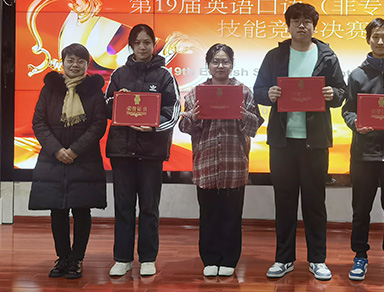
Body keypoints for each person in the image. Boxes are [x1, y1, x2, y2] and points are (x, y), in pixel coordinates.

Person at [253, 2, 346, 281]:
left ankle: (318, 259)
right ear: (288, 26)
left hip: (314, 141)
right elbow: (258, 91)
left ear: (314, 26)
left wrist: (333, 94)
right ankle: (284, 259)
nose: (301, 25)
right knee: (284, 201)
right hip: (282, 141)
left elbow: (342, 92)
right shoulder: (275, 56)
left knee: (315, 202)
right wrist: (268, 94)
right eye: (296, 21)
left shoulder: (327, 56)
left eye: (307, 21)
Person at [178, 43, 263, 278]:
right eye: (215, 61)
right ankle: (210, 258)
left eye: (225, 61)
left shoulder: (244, 92)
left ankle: (229, 258)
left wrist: (242, 113)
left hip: (233, 164)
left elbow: (255, 126)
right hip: (206, 164)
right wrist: (193, 116)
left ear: (232, 65)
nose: (220, 65)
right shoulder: (195, 93)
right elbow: (184, 127)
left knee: (232, 215)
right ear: (208, 65)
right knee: (209, 214)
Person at [105, 24, 181, 277]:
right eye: (137, 43)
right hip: (121, 151)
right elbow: (106, 106)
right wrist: (119, 100)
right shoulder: (119, 74)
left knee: (149, 207)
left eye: (147, 42)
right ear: (130, 46)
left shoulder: (165, 76)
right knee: (123, 206)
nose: (142, 47)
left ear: (153, 45)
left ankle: (148, 258)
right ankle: (122, 258)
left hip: (151, 152)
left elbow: (174, 111)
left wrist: (154, 125)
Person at [29, 43, 107, 279]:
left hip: (84, 159)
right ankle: (63, 257)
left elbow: (98, 125)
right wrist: (57, 150)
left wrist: (74, 150)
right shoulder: (50, 89)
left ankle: (77, 259)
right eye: (70, 60)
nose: (75, 65)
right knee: (58, 210)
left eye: (80, 61)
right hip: (53, 160)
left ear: (86, 65)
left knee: (82, 210)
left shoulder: (94, 91)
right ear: (63, 62)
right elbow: (39, 122)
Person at [341, 18, 384, 282]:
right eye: (375, 37)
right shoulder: (357, 75)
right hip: (364, 154)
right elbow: (348, 110)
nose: (380, 41)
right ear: (368, 39)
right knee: (361, 210)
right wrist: (355, 123)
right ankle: (360, 255)